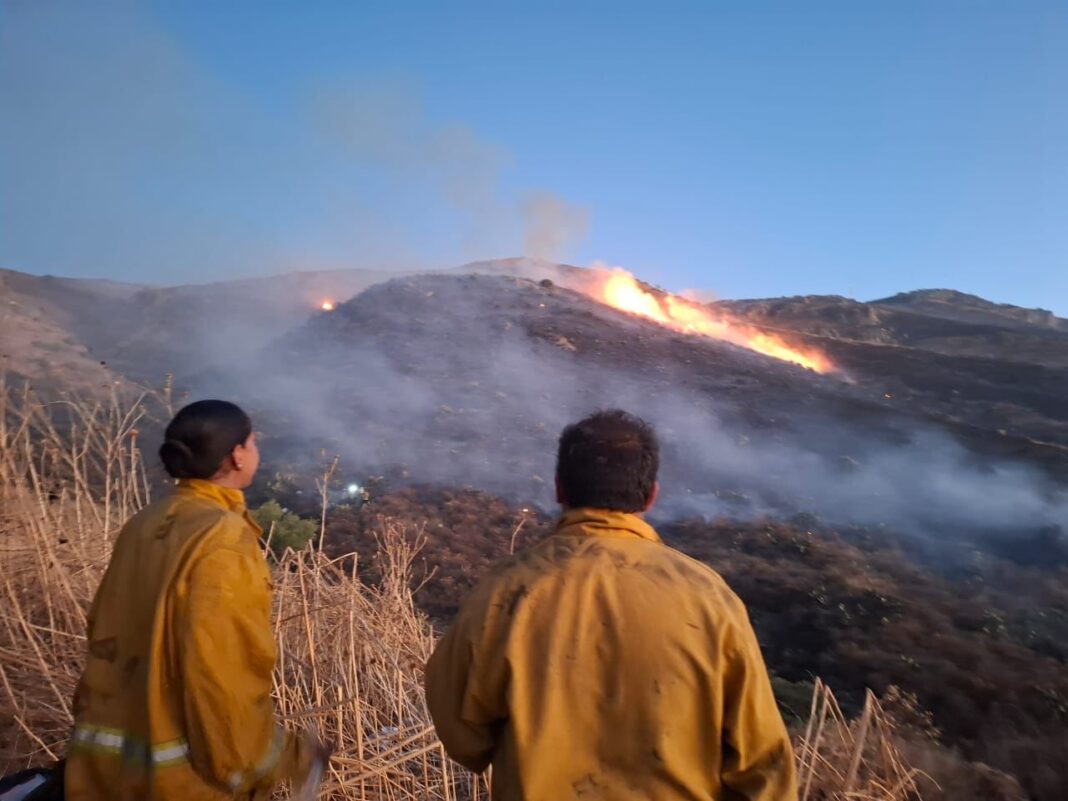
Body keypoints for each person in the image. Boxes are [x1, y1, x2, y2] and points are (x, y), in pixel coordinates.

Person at [425, 409, 797, 801]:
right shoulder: (710, 599)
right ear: (651, 496)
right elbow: (763, 765)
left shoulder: (503, 593)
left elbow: (462, 737)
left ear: (559, 489)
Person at [66, 400, 327, 801]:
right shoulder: (223, 538)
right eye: (253, 443)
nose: (255, 451)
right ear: (237, 455)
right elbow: (221, 671)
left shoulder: (146, 522)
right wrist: (284, 760)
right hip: (179, 784)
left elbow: (103, 629)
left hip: (99, 773)